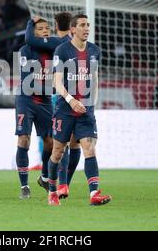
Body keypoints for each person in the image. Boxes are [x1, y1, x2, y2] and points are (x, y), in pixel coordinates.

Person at [47, 14, 112, 206]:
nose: (87, 28)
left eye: (88, 25)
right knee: (58, 151)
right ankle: (52, 191)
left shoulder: (95, 50)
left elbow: (96, 79)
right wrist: (70, 100)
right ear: (73, 29)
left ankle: (94, 194)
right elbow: (57, 82)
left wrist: (93, 103)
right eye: (82, 25)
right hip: (65, 109)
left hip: (86, 111)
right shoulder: (62, 50)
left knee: (89, 149)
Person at [25, 12, 81, 199]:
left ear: (56, 25)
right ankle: (62, 183)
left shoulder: (57, 42)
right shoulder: (79, 44)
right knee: (76, 144)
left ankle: (58, 183)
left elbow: (30, 39)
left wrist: (30, 24)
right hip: (81, 96)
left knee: (61, 143)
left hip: (62, 97)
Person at [15, 17, 56, 199]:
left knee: (51, 142)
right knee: (24, 139)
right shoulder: (26, 50)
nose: (46, 30)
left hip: (45, 100)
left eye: (47, 28)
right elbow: (29, 76)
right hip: (26, 98)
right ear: (33, 32)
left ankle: (44, 178)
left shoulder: (54, 51)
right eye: (41, 28)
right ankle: (24, 186)